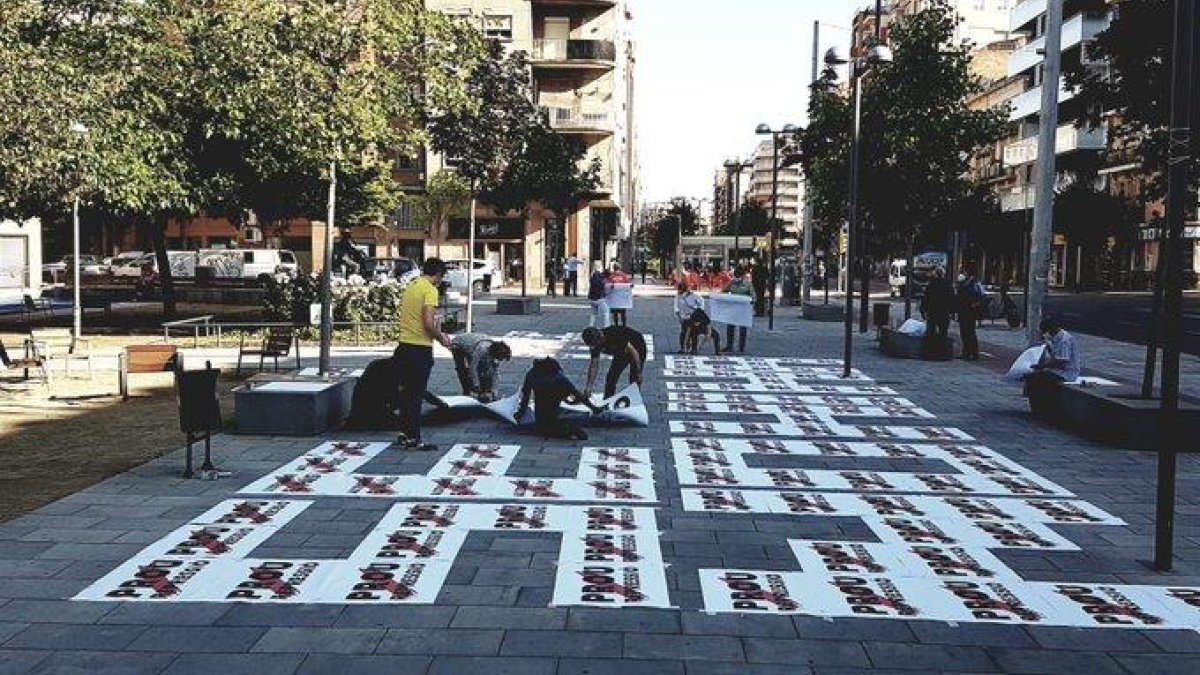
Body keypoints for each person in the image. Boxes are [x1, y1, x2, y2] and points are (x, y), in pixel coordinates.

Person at [393, 258, 453, 451]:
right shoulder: (429, 290)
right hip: (419, 349)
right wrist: (441, 337)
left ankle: (404, 433)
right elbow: (428, 323)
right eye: (440, 277)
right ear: (437, 275)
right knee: (416, 395)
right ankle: (414, 438)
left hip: (403, 346)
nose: (439, 281)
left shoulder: (412, 286)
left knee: (405, 394)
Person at [515, 357, 605, 440]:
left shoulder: (532, 374)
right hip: (553, 416)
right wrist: (594, 408)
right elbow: (578, 395)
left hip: (540, 420)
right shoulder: (559, 378)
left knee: (548, 424)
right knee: (574, 420)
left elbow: (525, 398)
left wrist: (519, 414)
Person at [582, 325, 646, 399]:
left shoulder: (614, 335)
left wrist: (638, 370)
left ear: (599, 338)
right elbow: (593, 365)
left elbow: (633, 352)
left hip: (637, 346)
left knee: (635, 377)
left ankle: (635, 399)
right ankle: (608, 400)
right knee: (611, 377)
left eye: (595, 344)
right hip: (621, 352)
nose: (594, 347)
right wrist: (588, 387)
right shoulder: (594, 342)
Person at [449, 333, 512, 402]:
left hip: (473, 345)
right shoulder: (481, 349)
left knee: (486, 369)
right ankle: (466, 391)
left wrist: (494, 392)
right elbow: (473, 368)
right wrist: (476, 384)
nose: (501, 360)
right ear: (496, 354)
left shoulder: (494, 352)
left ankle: (481, 392)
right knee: (462, 368)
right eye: (501, 358)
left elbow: (495, 373)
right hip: (458, 344)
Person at [920, 266, 954, 357]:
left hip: (932, 312)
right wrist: (952, 312)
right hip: (944, 312)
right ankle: (942, 352)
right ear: (943, 274)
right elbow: (952, 299)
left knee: (931, 331)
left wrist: (923, 310)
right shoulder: (948, 285)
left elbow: (926, 299)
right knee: (943, 332)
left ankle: (930, 352)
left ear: (935, 274)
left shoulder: (931, 285)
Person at [722, 267, 754, 354]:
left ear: (743, 276)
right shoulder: (732, 283)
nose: (738, 278)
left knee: (743, 328)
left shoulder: (748, 285)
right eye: (736, 276)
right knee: (730, 327)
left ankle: (741, 347)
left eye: (739, 276)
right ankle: (729, 346)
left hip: (743, 310)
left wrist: (749, 301)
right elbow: (724, 291)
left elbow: (753, 297)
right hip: (733, 309)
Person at [955, 270, 984, 361]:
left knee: (967, 333)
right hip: (967, 312)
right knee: (968, 333)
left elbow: (962, 300)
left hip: (967, 312)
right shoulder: (969, 286)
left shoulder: (967, 287)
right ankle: (970, 353)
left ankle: (969, 353)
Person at [607, 262, 632, 327]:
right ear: (620, 268)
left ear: (614, 268)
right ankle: (624, 326)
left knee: (615, 314)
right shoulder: (624, 275)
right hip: (622, 298)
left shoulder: (611, 276)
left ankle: (616, 325)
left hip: (614, 298)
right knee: (623, 313)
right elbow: (629, 284)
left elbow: (608, 286)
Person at [587, 263, 610, 328]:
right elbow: (603, 288)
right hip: (599, 298)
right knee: (606, 312)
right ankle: (607, 326)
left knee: (594, 313)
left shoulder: (592, 277)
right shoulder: (601, 280)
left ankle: (591, 325)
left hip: (591, 298)